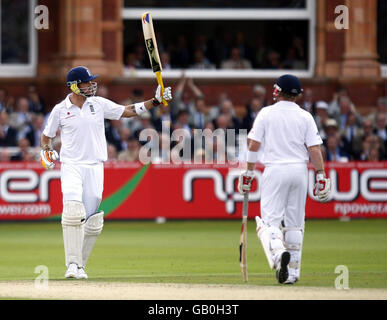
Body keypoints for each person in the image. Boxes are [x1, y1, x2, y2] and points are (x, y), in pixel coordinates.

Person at [40, 66, 172, 280]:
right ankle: (72, 265)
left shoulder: (98, 104)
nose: (91, 85)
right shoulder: (59, 110)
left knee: (92, 220)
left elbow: (127, 111)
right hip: (71, 164)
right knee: (73, 210)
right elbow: (46, 137)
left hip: (95, 166)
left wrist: (154, 101)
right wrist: (46, 151)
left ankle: (80, 266)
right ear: (74, 86)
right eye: (86, 82)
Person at [238, 74, 331, 284]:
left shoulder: (266, 113)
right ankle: (293, 273)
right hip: (300, 171)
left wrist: (248, 172)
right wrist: (321, 175)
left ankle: (279, 254)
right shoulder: (305, 116)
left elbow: (253, 145)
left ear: (277, 91)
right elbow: (314, 149)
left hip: (275, 170)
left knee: (267, 223)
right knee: (295, 224)